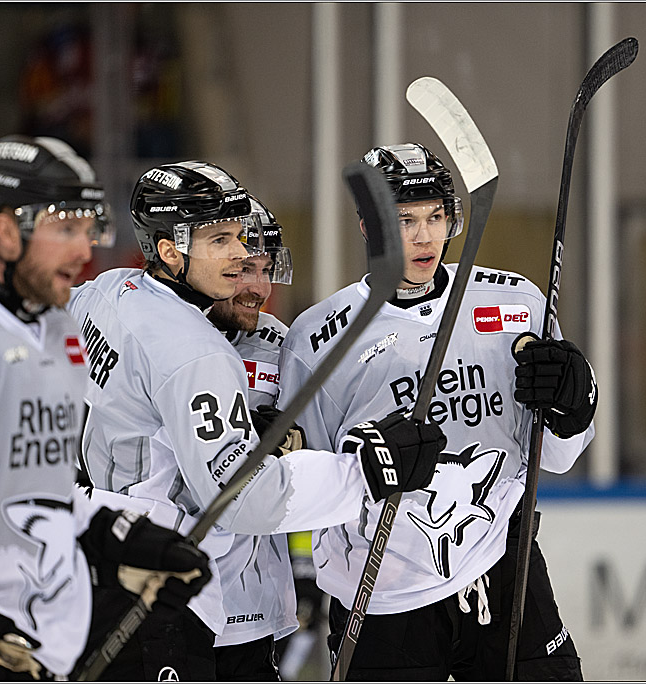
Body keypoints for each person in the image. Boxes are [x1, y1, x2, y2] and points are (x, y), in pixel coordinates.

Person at [68, 160, 447, 680]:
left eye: (245, 243)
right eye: (222, 241)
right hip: (167, 592)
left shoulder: (107, 291)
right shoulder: (194, 350)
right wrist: (369, 470)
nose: (244, 262)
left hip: (109, 568)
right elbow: (247, 497)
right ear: (170, 249)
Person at [278, 142, 597, 680]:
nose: (425, 237)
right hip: (381, 597)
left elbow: (561, 455)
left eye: (435, 217)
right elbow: (297, 485)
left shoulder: (515, 302)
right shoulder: (317, 341)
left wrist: (573, 404)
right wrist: (304, 568)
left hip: (504, 568)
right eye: (404, 220)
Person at [0, 135, 212, 681]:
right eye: (65, 229)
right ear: (7, 231)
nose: (85, 251)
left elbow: (35, 494)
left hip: (49, 637)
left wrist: (118, 537)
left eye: (90, 228)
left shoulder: (55, 334)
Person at [206, 195, 299, 680]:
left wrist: (287, 441)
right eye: (244, 270)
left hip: (248, 611)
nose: (259, 289)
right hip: (160, 594)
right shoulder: (155, 335)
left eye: (266, 270)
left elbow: (315, 449)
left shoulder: (283, 344)